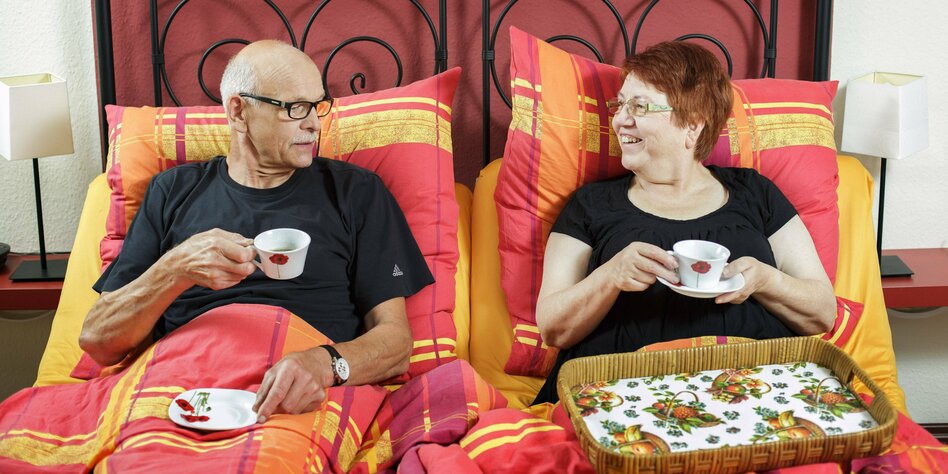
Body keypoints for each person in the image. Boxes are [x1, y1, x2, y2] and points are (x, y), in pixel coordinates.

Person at [79, 40, 433, 422]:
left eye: (317, 106)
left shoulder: (356, 192)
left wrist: (325, 364)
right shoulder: (172, 192)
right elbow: (99, 341)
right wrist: (176, 268)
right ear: (238, 111)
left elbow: (396, 342)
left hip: (298, 398)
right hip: (186, 392)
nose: (314, 124)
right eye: (295, 108)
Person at [532, 42, 836, 404]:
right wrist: (610, 276)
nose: (619, 120)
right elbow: (552, 327)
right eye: (620, 105)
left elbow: (823, 313)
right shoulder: (590, 204)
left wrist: (765, 280)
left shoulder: (756, 193)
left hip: (754, 389)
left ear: (692, 124)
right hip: (625, 393)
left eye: (639, 106)